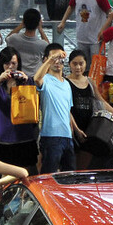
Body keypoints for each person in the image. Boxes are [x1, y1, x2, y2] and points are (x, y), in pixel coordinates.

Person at [0, 49, 38, 175]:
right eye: (7, 63)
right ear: (1, 64)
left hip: (25, 135)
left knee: (29, 173)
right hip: (5, 136)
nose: (10, 67)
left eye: (13, 63)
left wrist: (26, 83)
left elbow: (33, 102)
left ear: (18, 64)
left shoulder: (26, 80)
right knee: (6, 176)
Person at [34, 44, 84, 174]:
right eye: (54, 59)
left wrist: (75, 130)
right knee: (48, 176)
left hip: (67, 136)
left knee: (70, 176)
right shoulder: (46, 79)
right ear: (46, 59)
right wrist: (51, 59)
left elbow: (67, 111)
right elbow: (36, 79)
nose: (58, 62)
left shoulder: (66, 84)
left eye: (60, 59)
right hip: (51, 136)